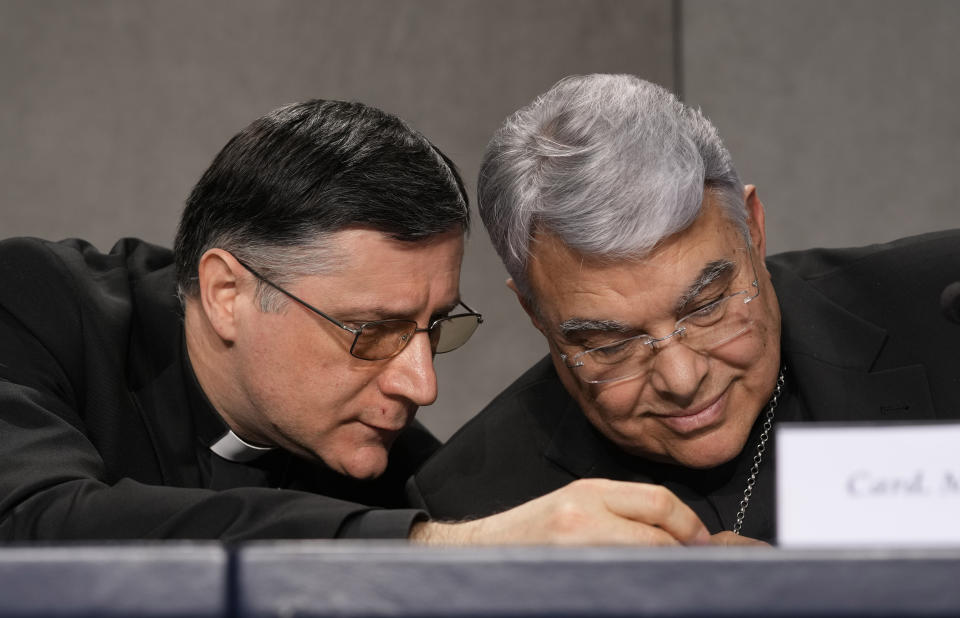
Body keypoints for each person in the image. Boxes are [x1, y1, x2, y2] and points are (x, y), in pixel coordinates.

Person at [0, 98, 715, 545]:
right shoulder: (32, 304)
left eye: (435, 327)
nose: (421, 385)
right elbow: (34, 530)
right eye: (371, 331)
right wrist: (432, 555)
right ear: (226, 293)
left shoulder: (394, 468)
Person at [408, 74, 960, 544]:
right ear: (534, 313)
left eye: (708, 307)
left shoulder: (944, 313)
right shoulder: (475, 508)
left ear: (754, 230)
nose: (681, 377)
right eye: (610, 343)